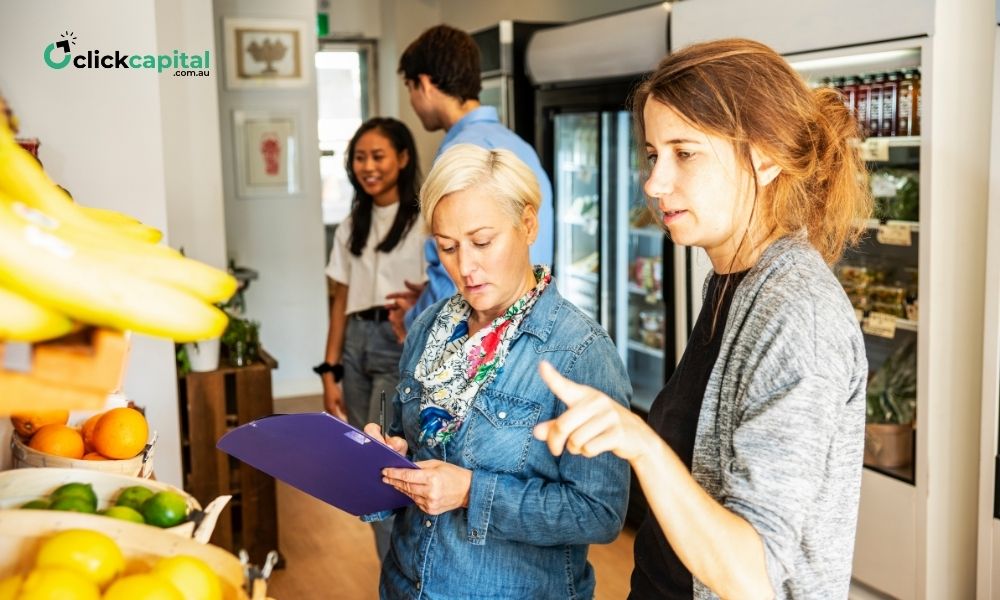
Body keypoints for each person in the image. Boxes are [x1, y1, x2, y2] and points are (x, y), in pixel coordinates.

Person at [533, 38, 872, 599]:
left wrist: (640, 442)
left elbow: (752, 574)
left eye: (684, 153)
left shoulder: (797, 315)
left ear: (763, 157)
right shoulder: (730, 282)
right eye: (651, 154)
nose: (654, 182)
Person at [362, 144, 630, 599]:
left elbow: (599, 512)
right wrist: (384, 458)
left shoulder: (580, 352)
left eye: (482, 242)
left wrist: (471, 492)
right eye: (447, 247)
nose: (465, 267)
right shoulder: (430, 326)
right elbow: (403, 445)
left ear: (528, 224)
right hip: (406, 584)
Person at [385, 24, 554, 342]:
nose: (412, 101)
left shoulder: (458, 156)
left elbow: (446, 280)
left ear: (423, 84)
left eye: (409, 88)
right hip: (528, 327)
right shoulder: (519, 146)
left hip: (475, 339)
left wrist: (411, 322)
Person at [317, 117, 425, 559]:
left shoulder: (424, 221)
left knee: (384, 464)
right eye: (359, 157)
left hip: (396, 342)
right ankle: (394, 570)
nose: (368, 166)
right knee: (367, 463)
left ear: (402, 158)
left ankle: (400, 573)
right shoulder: (351, 224)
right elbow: (340, 299)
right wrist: (329, 369)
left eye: (378, 155)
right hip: (356, 343)